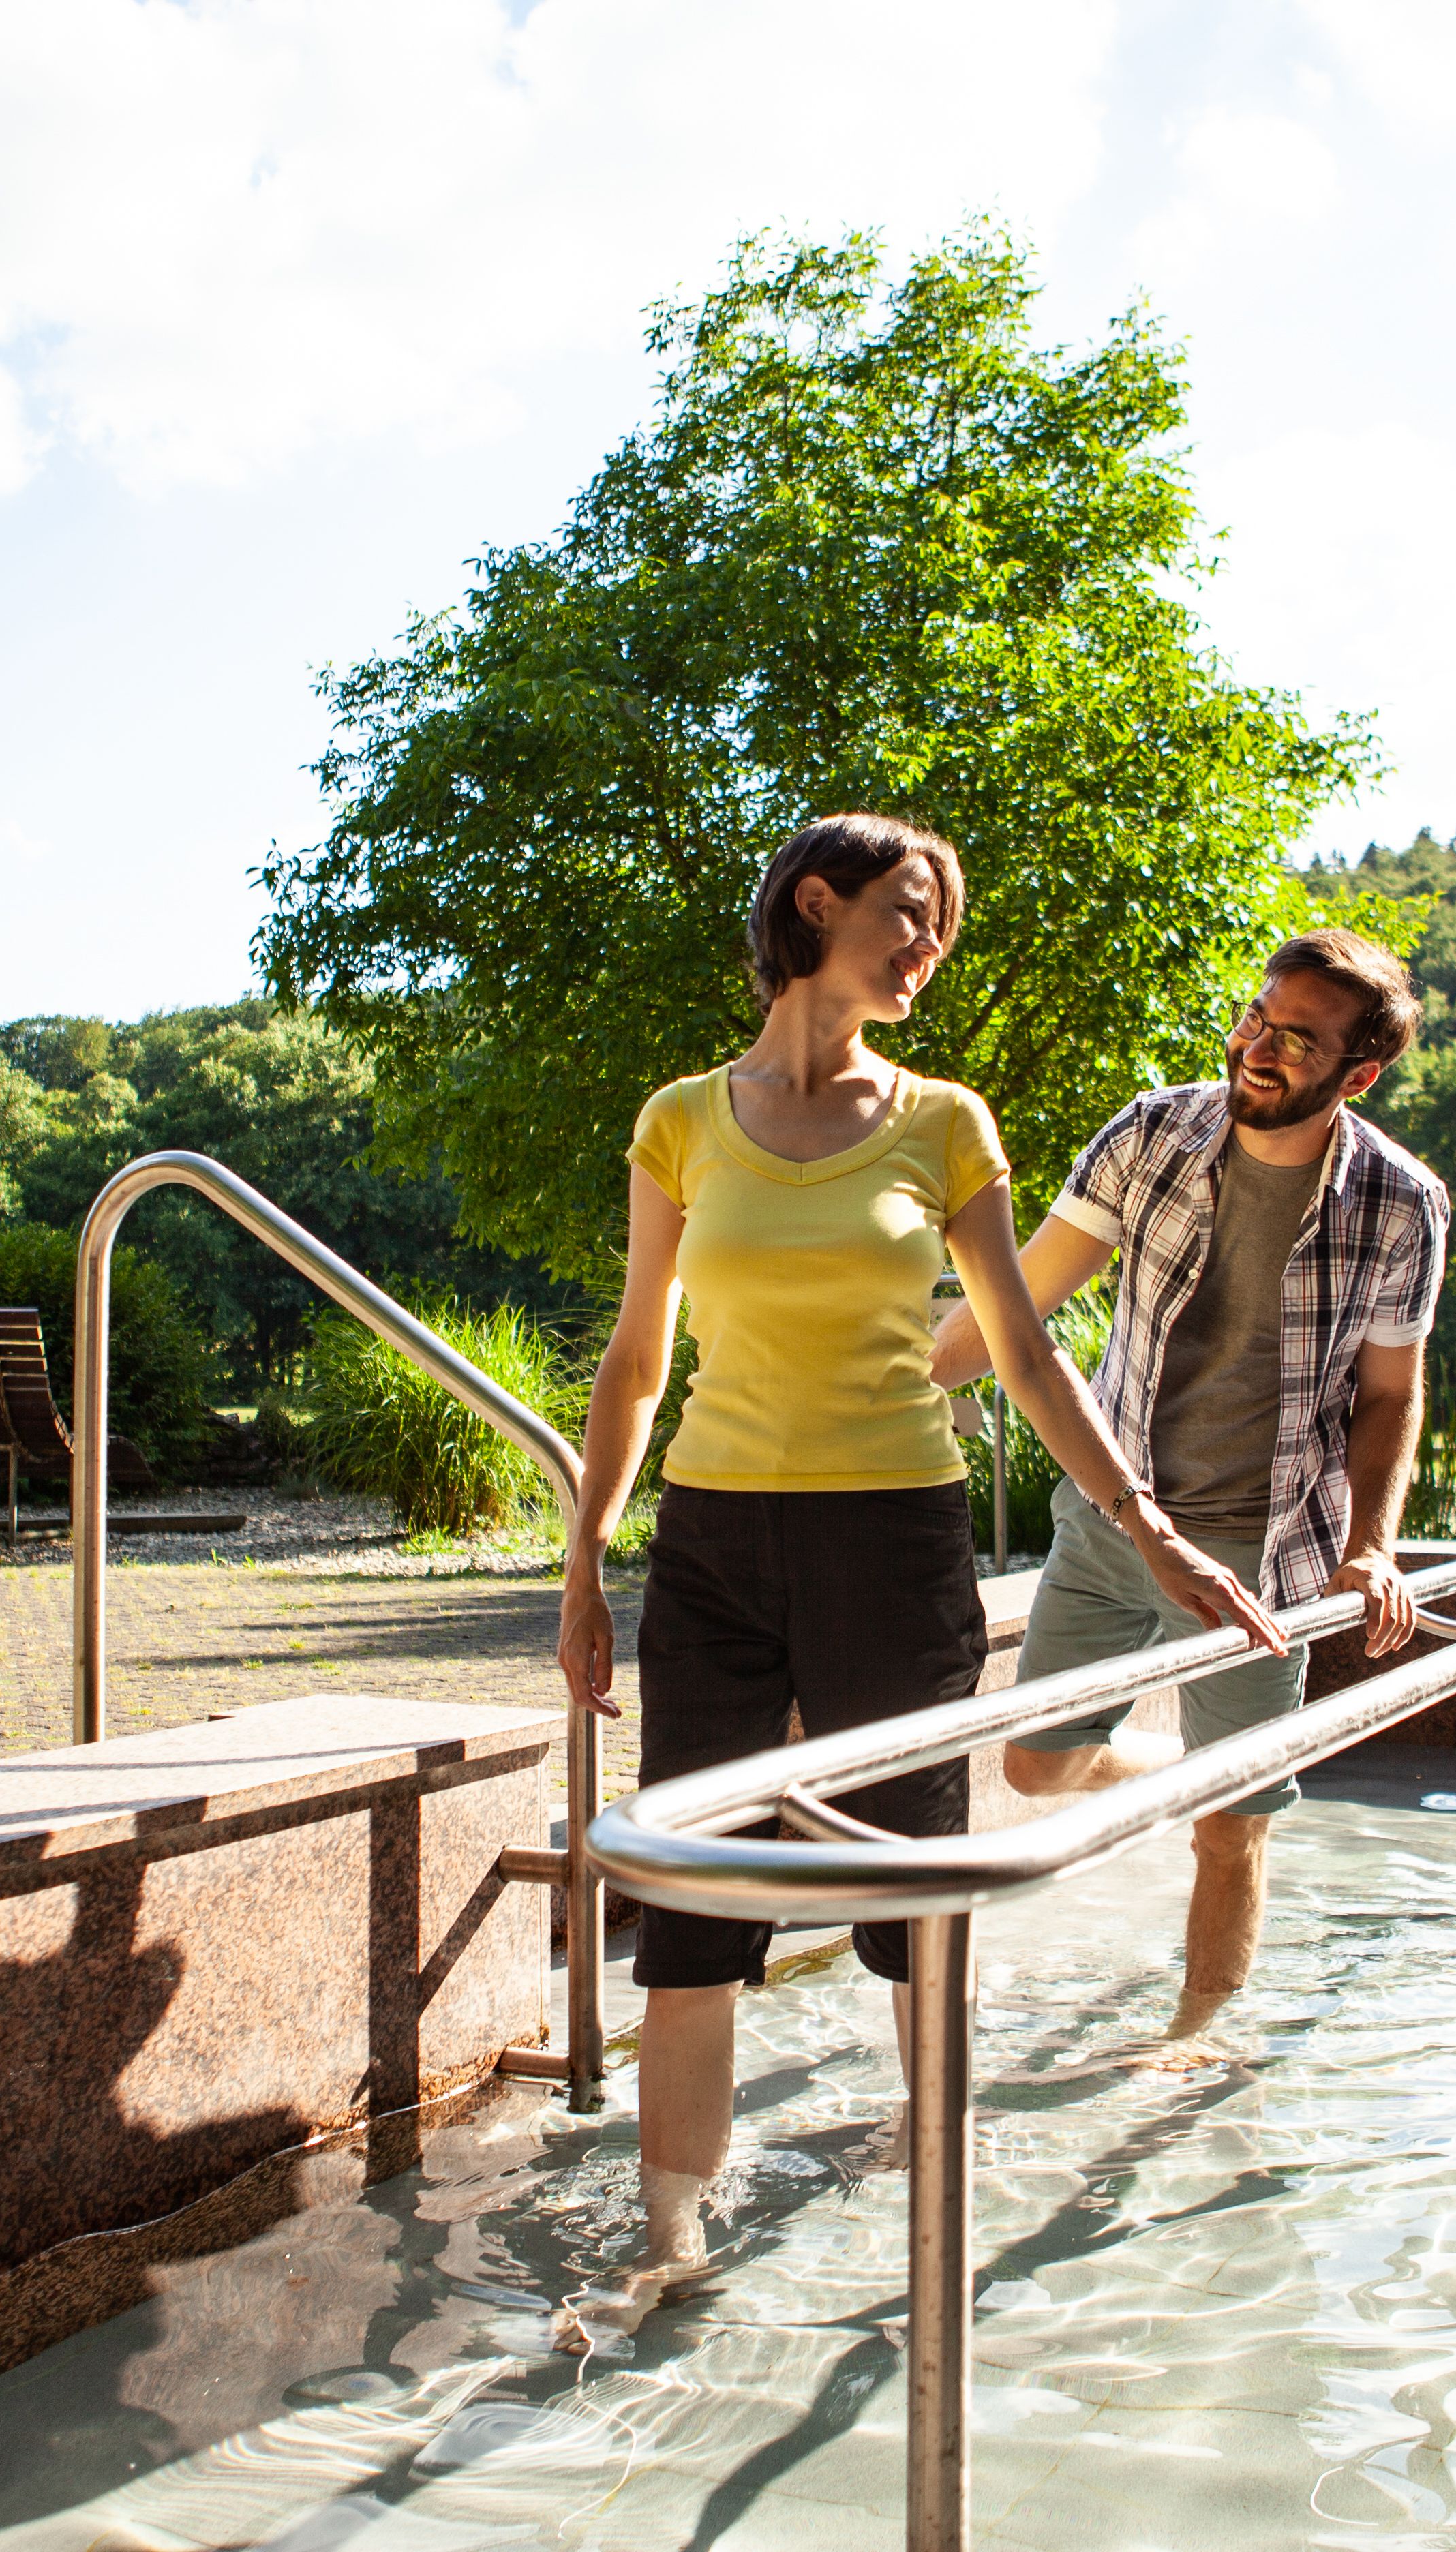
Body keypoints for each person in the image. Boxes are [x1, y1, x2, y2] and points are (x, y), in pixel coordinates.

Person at [558, 812, 1285, 2317]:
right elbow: (636, 1359)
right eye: (909, 911)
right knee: (695, 1895)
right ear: (818, 903)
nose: (929, 947)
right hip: (712, 1542)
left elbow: (1022, 1347)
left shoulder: (944, 1122)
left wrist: (1145, 1526)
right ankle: (671, 2250)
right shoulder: (682, 1120)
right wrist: (583, 1563)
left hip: (893, 1540)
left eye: (940, 923)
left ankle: (938, 2213)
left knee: (912, 1888)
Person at [928, 927, 1448, 2048]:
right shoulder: (1153, 1134)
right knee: (1033, 1767)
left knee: (1232, 1831)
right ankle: (1175, 1768)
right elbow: (1018, 1306)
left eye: (1297, 1042)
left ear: (1358, 1075)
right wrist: (893, 1375)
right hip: (1116, 1514)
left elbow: (1390, 1394)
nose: (1258, 1048)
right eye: (1259, 1018)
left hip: (1268, 1552)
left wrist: (1373, 1546)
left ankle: (1193, 2047)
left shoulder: (1401, 1204)